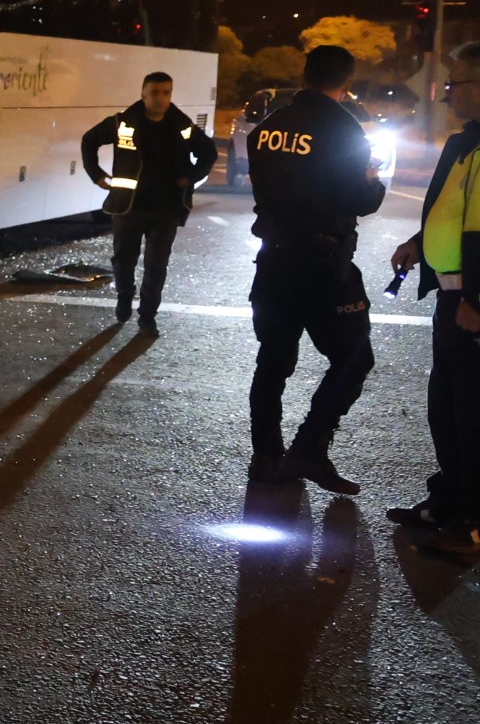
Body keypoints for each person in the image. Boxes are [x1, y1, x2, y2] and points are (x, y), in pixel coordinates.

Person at [245, 44, 386, 491]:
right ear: (347, 83)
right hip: (321, 264)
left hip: (273, 261)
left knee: (274, 359)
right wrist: (371, 181)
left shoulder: (268, 127)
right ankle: (309, 449)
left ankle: (267, 453)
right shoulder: (344, 132)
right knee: (353, 358)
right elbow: (361, 200)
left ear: (305, 75)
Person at [388, 42, 480, 544]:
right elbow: (450, 212)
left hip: (471, 302)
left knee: (470, 409)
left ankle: (469, 509)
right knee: (445, 405)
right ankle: (449, 496)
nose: (447, 95)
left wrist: (477, 301)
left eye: (457, 84)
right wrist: (417, 244)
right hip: (451, 297)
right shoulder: (462, 143)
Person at [80, 70, 218, 331]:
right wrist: (96, 175)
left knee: (157, 265)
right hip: (128, 206)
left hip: (166, 209)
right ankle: (124, 297)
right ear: (143, 94)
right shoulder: (124, 123)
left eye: (166, 93)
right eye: (155, 92)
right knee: (123, 260)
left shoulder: (182, 126)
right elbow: (89, 140)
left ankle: (147, 317)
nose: (160, 98)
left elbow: (208, 152)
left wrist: (191, 177)